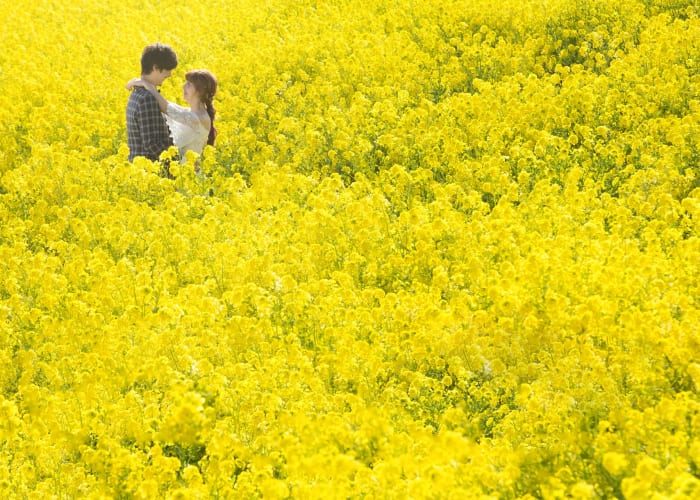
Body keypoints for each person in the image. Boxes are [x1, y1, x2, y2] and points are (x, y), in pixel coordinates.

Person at [126, 69, 218, 161]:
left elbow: (167, 108)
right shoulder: (191, 113)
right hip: (181, 171)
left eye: (189, 84)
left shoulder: (200, 118)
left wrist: (145, 83)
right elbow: (169, 106)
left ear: (200, 91)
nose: (183, 86)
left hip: (188, 172)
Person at [126, 43, 178, 163]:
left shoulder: (137, 93)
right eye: (166, 71)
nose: (169, 74)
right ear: (155, 67)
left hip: (139, 168)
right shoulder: (147, 99)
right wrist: (180, 160)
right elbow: (153, 144)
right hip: (150, 171)